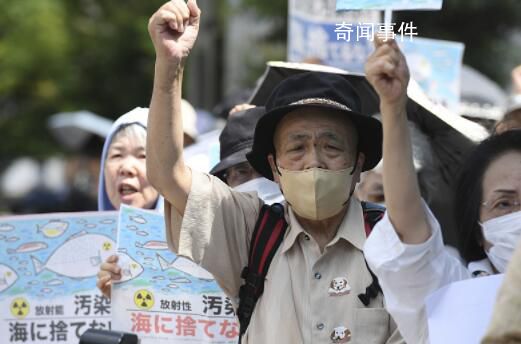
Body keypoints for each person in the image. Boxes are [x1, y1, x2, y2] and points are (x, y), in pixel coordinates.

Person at [146, 1, 403, 343]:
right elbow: (167, 174)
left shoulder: (393, 242)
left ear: (358, 164)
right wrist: (169, 68)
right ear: (274, 168)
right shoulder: (252, 230)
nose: (314, 160)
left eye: (332, 146)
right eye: (296, 147)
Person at [362, 36, 521, 343]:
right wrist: (394, 108)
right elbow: (409, 236)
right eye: (504, 203)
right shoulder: (452, 296)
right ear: (478, 230)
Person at [209, 106, 283, 204]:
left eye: (265, 168)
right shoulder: (219, 217)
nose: (256, 181)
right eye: (242, 172)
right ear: (227, 180)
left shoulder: (303, 215)